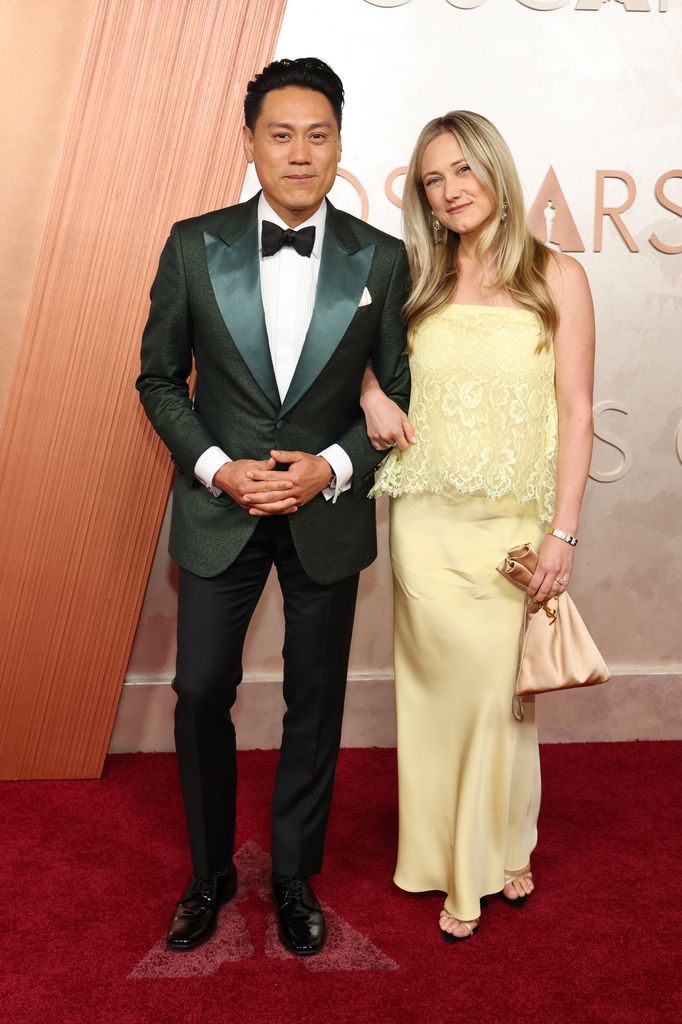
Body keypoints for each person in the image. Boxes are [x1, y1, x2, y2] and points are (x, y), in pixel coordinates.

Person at [136, 57, 410, 956]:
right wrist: (218, 467)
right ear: (250, 140)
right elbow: (159, 380)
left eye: (317, 135)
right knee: (201, 688)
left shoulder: (382, 257)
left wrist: (327, 467)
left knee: (314, 697)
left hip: (325, 515)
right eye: (280, 134)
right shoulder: (192, 243)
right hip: (221, 514)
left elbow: (395, 402)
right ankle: (209, 871)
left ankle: (293, 875)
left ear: (340, 144)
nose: (300, 153)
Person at [362, 111, 595, 942]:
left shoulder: (555, 275)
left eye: (463, 169)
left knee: (501, 700)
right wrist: (367, 393)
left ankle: (502, 843)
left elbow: (576, 412)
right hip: (425, 521)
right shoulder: (412, 279)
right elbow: (348, 354)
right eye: (433, 178)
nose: (451, 188)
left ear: (495, 170)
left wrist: (563, 533)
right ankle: (446, 860)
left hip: (512, 529)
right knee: (439, 697)